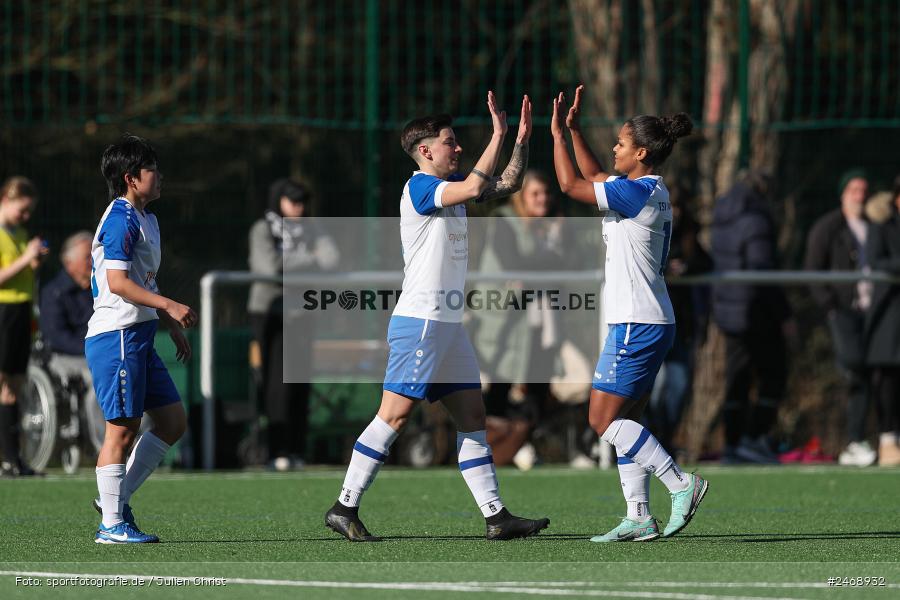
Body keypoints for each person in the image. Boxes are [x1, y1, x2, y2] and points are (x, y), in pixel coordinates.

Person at [324, 91, 550, 542]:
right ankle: (344, 506)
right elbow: (474, 187)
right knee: (394, 416)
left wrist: (520, 140)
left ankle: (495, 516)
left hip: (447, 324)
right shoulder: (421, 187)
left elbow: (506, 183)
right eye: (451, 142)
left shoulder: (450, 185)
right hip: (422, 321)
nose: (458, 148)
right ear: (426, 151)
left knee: (472, 415)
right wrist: (498, 133)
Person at [551, 85, 705, 542]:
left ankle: (682, 483)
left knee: (601, 420)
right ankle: (638, 514)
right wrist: (576, 131)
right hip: (649, 319)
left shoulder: (634, 194)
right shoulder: (646, 189)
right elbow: (596, 172)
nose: (613, 149)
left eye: (620, 143)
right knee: (627, 421)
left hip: (637, 323)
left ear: (641, 152)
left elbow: (571, 184)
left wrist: (558, 134)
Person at [85, 135, 195, 543]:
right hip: (116, 336)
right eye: (152, 169)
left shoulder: (147, 218)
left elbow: (144, 279)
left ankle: (115, 499)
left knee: (172, 421)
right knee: (122, 429)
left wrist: (166, 320)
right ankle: (111, 525)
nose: (160, 175)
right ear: (131, 178)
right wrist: (169, 304)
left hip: (140, 336)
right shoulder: (120, 220)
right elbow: (117, 284)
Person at [472, 170, 573, 469]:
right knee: (499, 382)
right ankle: (490, 452)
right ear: (521, 196)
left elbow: (565, 262)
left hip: (535, 320)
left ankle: (522, 443)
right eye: (535, 194)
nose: (543, 200)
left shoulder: (550, 226)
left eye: (546, 194)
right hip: (499, 318)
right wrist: (549, 261)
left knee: (538, 380)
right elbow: (513, 263)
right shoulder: (504, 220)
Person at [248, 178, 339, 470]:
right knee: (276, 382)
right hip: (270, 313)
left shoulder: (312, 227)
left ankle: (297, 449)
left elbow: (331, 259)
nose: (298, 206)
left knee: (301, 382)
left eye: (302, 201)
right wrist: (309, 258)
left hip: (302, 312)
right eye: (292, 200)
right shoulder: (263, 228)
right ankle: (276, 451)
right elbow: (270, 267)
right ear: (279, 200)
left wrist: (294, 260)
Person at [711, 172, 793, 464]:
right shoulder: (756, 218)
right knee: (774, 374)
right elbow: (762, 271)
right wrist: (783, 313)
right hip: (756, 309)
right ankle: (755, 437)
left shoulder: (721, 216)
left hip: (728, 307)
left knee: (737, 377)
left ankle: (733, 442)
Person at [805, 170, 876, 466]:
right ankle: (852, 439)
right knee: (854, 368)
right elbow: (814, 269)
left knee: (873, 373)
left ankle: (862, 438)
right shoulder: (828, 227)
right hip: (843, 311)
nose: (859, 196)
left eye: (863, 190)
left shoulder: (874, 226)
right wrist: (830, 305)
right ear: (843, 193)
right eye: (854, 190)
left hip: (873, 313)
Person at [647, 187, 712, 452]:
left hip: (679, 327)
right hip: (651, 324)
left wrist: (685, 267)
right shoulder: (645, 233)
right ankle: (650, 443)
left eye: (677, 207)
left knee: (678, 386)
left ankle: (665, 439)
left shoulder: (687, 239)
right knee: (655, 389)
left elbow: (706, 262)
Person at [0, 176, 48, 476]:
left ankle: (14, 458)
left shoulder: (18, 233)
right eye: (22, 209)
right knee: (4, 383)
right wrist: (26, 259)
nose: (26, 216)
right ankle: (8, 458)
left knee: (15, 385)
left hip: (21, 311)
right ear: (6, 199)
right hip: (3, 310)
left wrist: (34, 263)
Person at [864, 183, 900, 466]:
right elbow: (876, 261)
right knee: (887, 377)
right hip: (889, 312)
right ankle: (888, 440)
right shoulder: (881, 224)